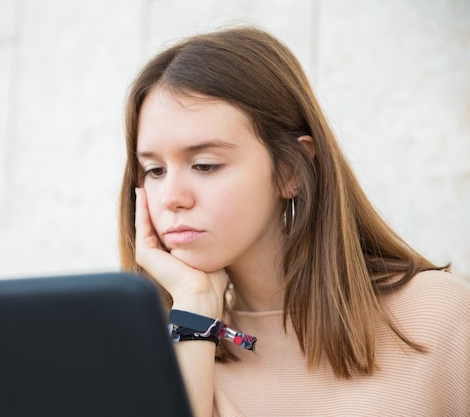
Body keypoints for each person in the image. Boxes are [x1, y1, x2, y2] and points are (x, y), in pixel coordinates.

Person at [118, 26, 470, 417]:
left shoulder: (438, 316)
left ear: (290, 170)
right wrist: (195, 308)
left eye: (205, 165)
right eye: (154, 170)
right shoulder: (161, 345)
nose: (171, 198)